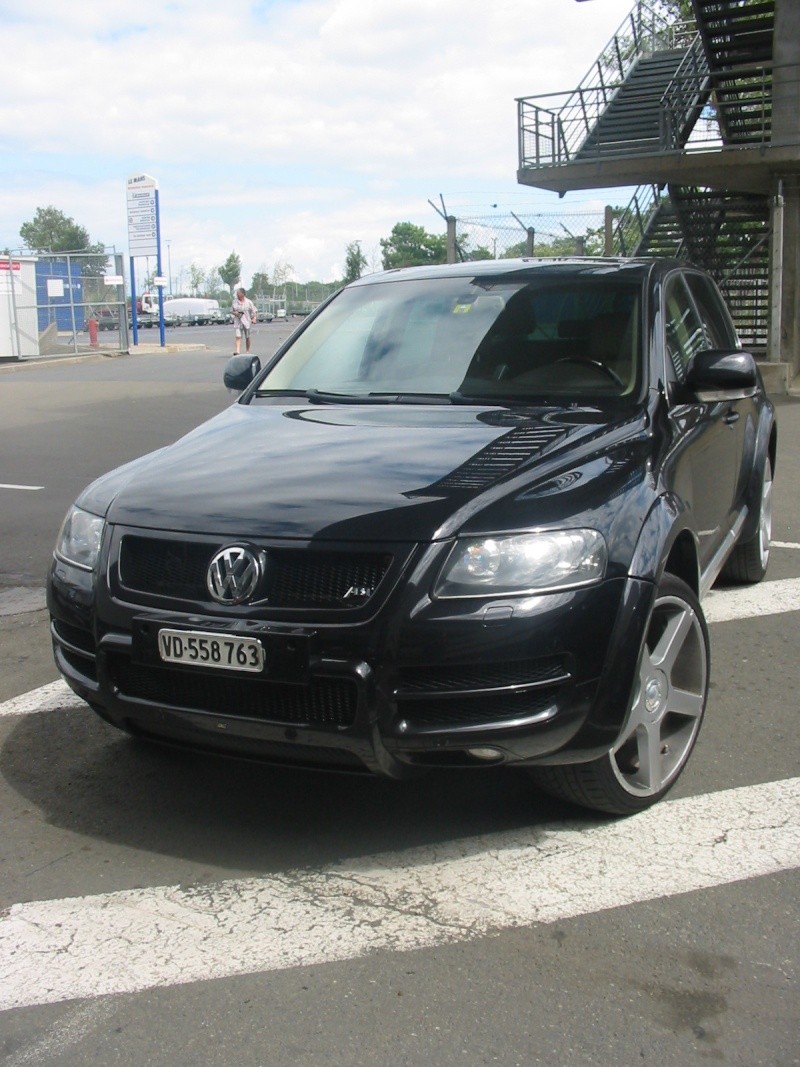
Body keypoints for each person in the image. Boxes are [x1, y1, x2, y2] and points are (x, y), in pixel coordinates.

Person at [231, 286, 258, 354]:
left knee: (247, 337)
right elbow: (232, 310)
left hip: (246, 322)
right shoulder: (235, 302)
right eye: (237, 293)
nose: (237, 295)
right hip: (238, 321)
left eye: (238, 293)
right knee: (238, 336)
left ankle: (247, 350)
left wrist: (254, 318)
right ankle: (237, 351)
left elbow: (253, 311)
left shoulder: (249, 302)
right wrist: (235, 313)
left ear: (243, 294)